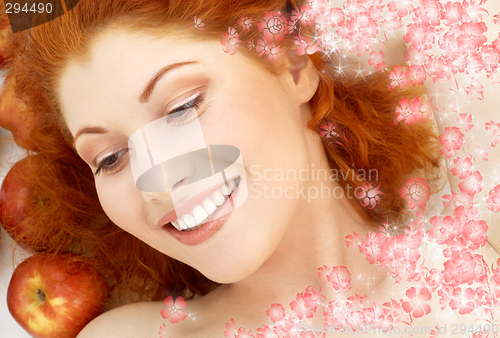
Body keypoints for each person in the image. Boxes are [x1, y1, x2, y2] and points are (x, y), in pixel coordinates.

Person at [3, 0, 500, 337]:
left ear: (294, 67)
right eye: (109, 158)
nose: (156, 180)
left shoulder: (474, 244)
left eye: (181, 109)